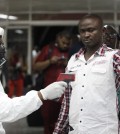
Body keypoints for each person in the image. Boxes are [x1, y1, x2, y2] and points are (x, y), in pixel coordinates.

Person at [53, 14, 120, 134]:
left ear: (102, 31)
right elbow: (67, 99)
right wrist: (58, 130)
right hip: (76, 130)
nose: (86, 35)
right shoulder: (72, 60)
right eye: (82, 31)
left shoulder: (114, 57)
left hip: (105, 130)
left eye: (91, 30)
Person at [0, 27, 67, 134]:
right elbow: (6, 110)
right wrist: (42, 94)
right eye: (0, 43)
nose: (2, 47)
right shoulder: (48, 50)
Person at [33, 30, 72, 134]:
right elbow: (35, 67)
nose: (65, 45)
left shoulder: (73, 51)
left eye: (67, 44)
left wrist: (68, 63)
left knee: (68, 124)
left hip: (68, 94)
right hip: (49, 93)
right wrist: (50, 61)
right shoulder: (48, 50)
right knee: (49, 122)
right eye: (63, 42)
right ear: (57, 39)